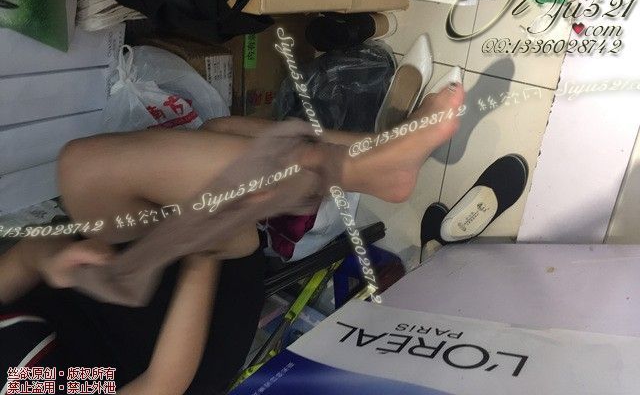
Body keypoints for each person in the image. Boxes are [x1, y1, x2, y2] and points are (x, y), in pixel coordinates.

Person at [0, 83, 464, 394]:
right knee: (219, 153)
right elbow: (161, 384)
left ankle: (374, 156)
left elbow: (22, 263)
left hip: (106, 278)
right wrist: (201, 253)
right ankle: (365, 164)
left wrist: (50, 261)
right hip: (176, 344)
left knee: (88, 166)